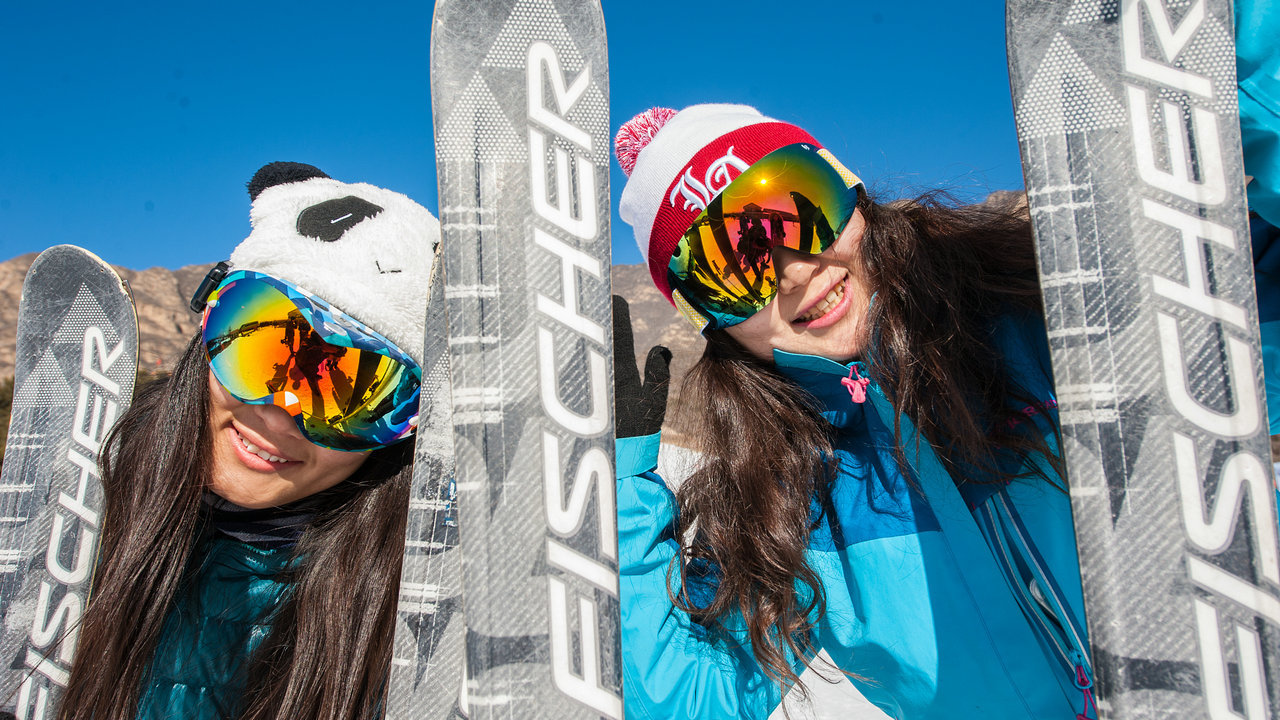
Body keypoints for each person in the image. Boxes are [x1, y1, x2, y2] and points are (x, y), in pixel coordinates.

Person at [612, 103, 1092, 719]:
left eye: (800, 211)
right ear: (708, 320)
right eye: (734, 268)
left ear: (851, 192)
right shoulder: (781, 494)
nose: (795, 272)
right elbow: (686, 699)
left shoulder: (1045, 314)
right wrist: (617, 487)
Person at [56, 162, 440, 720]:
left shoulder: (403, 613)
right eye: (260, 351)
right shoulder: (79, 524)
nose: (281, 416)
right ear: (207, 327)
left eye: (351, 396)